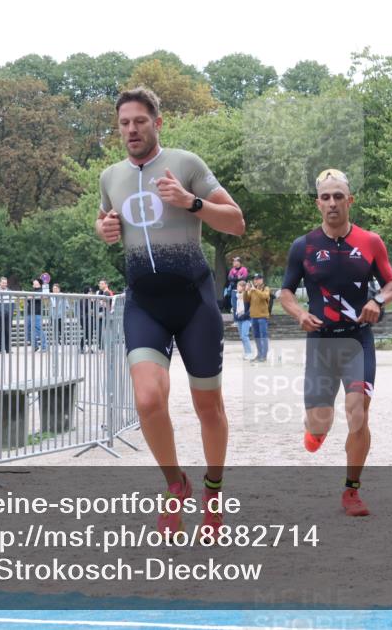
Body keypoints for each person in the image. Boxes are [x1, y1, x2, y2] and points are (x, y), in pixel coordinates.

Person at [95, 86, 245, 537]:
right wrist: (103, 228)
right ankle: (175, 484)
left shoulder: (186, 164)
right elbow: (107, 223)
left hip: (194, 300)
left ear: (157, 123)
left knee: (208, 407)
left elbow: (236, 221)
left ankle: (213, 491)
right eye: (124, 123)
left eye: (139, 121)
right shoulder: (110, 177)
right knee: (147, 399)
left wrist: (190, 202)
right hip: (145, 301)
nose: (131, 130)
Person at [278, 168, 392, 517]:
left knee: (357, 413)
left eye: (338, 196)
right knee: (320, 422)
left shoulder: (371, 242)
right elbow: (285, 291)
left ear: (350, 201)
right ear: (318, 203)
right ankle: (314, 431)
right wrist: (299, 313)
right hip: (321, 344)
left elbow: (390, 283)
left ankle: (352, 491)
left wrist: (378, 301)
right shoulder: (303, 246)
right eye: (326, 197)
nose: (332, 203)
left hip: (357, 341)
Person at [244, 274, 271, 363]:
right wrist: (246, 290)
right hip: (253, 316)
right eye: (255, 279)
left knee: (263, 336)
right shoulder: (252, 290)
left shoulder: (266, 288)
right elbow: (246, 300)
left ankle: (264, 355)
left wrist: (255, 290)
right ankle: (259, 354)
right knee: (256, 337)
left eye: (258, 279)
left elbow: (264, 296)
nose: (256, 281)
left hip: (262, 317)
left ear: (262, 280)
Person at [25, 278, 47, 351]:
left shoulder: (41, 291)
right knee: (28, 329)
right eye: (33, 283)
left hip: (37, 312)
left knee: (38, 329)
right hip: (29, 312)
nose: (34, 284)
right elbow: (28, 299)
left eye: (36, 283)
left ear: (39, 284)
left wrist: (31, 297)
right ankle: (35, 346)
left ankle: (44, 346)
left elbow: (38, 297)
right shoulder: (32, 291)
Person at [233, 280, 253, 360]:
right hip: (239, 318)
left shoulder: (247, 296)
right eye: (237, 286)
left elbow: (250, 309)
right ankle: (246, 353)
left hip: (246, 319)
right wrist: (237, 316)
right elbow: (235, 307)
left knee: (245, 336)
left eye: (239, 286)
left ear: (243, 287)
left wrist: (244, 315)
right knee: (242, 336)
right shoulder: (236, 296)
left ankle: (250, 353)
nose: (237, 288)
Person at [0, 277, 13, 354]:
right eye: (3, 283)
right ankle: (0, 349)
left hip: (7, 314)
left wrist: (10, 313)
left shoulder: (9, 291)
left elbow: (12, 303)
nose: (4, 284)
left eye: (5, 283)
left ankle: (8, 349)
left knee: (8, 331)